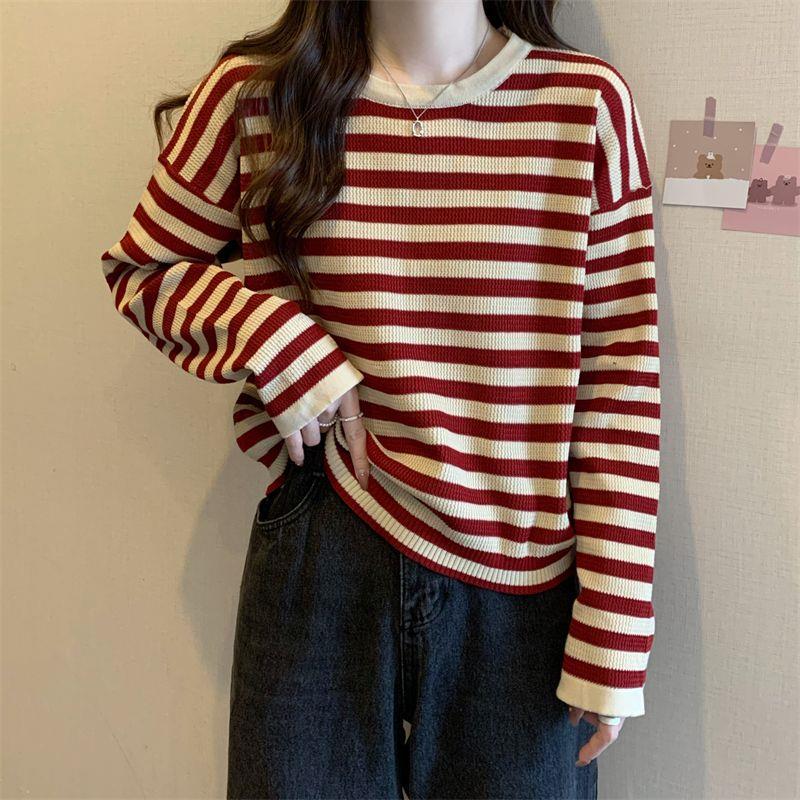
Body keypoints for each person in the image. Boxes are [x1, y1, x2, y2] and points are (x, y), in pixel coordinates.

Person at [100, 1, 660, 797]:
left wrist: (615, 625)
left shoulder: (585, 107)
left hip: (521, 583)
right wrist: (282, 344)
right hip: (326, 535)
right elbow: (142, 270)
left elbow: (620, 379)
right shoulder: (257, 95)